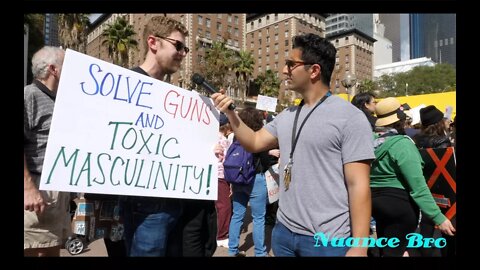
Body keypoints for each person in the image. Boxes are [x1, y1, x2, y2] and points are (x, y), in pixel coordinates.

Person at [212, 33, 375, 257]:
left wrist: (359, 245)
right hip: (284, 234)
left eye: (291, 64)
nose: (284, 70)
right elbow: (254, 141)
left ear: (314, 70)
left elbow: (359, 185)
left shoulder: (350, 117)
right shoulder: (287, 115)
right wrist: (231, 112)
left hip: (327, 240)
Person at [119, 15, 190, 257]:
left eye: (185, 48)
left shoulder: (174, 95)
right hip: (145, 204)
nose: (182, 53)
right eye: (178, 46)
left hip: (175, 200)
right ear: (153, 42)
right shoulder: (125, 85)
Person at [370, 97, 455, 257]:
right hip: (400, 206)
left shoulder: (371, 142)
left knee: (389, 250)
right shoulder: (402, 145)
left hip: (375, 205)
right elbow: (418, 187)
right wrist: (438, 218)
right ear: (400, 121)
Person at [24, 46, 70, 257]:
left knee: (51, 250)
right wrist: (29, 189)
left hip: (56, 191)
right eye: (66, 64)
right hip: (37, 189)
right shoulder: (29, 96)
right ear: (53, 69)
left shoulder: (59, 101)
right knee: (36, 250)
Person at [227, 107, 271, 257]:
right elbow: (265, 159)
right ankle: (260, 253)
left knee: (237, 215)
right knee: (258, 218)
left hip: (238, 179)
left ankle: (232, 250)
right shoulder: (259, 135)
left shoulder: (236, 136)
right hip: (256, 179)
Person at [412, 105, 455, 257]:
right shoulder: (443, 141)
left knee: (427, 215)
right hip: (442, 184)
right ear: (439, 122)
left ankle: (425, 246)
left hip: (423, 183)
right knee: (446, 216)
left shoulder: (415, 140)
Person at [214, 113, 233, 248]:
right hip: (221, 177)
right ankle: (222, 236)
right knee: (224, 207)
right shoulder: (224, 141)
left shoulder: (209, 138)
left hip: (209, 176)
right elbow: (228, 162)